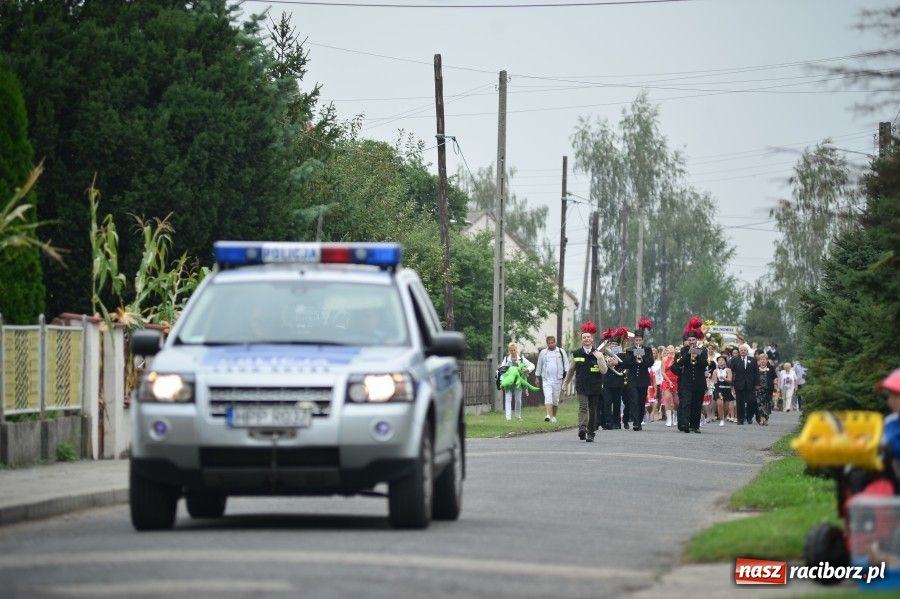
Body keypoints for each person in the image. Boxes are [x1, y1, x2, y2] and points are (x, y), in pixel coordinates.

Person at [563, 322, 606, 442]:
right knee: (583, 407)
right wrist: (565, 383)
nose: (586, 339)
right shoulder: (577, 353)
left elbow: (604, 371)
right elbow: (571, 369)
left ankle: (591, 432)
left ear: (592, 339)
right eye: (584, 337)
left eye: (588, 337)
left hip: (595, 386)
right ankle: (582, 428)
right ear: (582, 340)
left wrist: (600, 358)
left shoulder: (598, 353)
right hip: (581, 385)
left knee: (593, 409)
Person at [671, 317, 708, 434]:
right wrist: (689, 354)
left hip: (699, 382)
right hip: (686, 382)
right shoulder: (683, 350)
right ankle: (685, 424)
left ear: (697, 340)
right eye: (690, 340)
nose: (692, 342)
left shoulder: (703, 350)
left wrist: (697, 357)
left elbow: (704, 364)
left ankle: (695, 426)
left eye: (693, 340)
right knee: (686, 402)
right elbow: (680, 362)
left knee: (697, 404)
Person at [622, 318, 653, 432]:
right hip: (632, 380)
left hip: (643, 380)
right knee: (634, 401)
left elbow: (650, 363)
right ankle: (635, 423)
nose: (638, 342)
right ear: (634, 340)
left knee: (641, 401)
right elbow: (626, 364)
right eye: (636, 340)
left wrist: (642, 357)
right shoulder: (629, 350)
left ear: (643, 340)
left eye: (640, 340)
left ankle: (639, 420)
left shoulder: (648, 350)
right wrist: (634, 358)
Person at [535, 335, 569, 423]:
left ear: (555, 342)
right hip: (546, 379)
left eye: (552, 343)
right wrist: (537, 377)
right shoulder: (543, 353)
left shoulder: (561, 352)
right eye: (549, 343)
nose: (550, 344)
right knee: (548, 397)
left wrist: (566, 378)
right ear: (547, 344)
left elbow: (566, 365)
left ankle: (553, 416)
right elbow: (539, 365)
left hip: (558, 379)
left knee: (555, 400)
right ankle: (547, 415)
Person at [600, 327, 627, 430]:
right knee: (607, 402)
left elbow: (625, 365)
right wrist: (606, 362)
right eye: (611, 344)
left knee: (616, 403)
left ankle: (617, 422)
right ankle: (608, 422)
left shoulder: (622, 354)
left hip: (618, 381)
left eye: (615, 344)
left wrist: (618, 362)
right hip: (607, 381)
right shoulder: (604, 354)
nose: (613, 346)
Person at [499, 342, 534, 421]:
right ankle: (508, 418)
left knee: (518, 400)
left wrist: (527, 370)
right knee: (508, 399)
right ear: (509, 351)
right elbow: (501, 370)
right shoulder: (506, 359)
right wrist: (501, 383)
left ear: (517, 350)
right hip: (509, 382)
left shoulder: (521, 358)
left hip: (518, 382)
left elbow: (532, 365)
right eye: (511, 350)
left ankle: (518, 416)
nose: (513, 352)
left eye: (514, 350)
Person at [729, 343, 757, 425]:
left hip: (750, 384)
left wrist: (756, 383)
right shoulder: (734, 360)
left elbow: (756, 372)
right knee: (739, 402)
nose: (743, 351)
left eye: (744, 350)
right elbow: (731, 372)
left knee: (751, 401)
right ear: (739, 351)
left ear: (747, 351)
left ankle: (749, 417)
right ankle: (740, 419)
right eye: (741, 350)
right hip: (738, 384)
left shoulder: (752, 360)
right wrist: (732, 384)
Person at [752, 352, 778, 425]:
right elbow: (753, 378)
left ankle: (766, 419)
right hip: (759, 389)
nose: (762, 361)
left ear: (767, 360)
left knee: (767, 405)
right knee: (760, 404)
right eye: (761, 359)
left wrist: (775, 385)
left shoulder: (771, 368)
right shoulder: (756, 368)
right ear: (759, 360)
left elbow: (775, 377)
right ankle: (762, 419)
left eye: (764, 359)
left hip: (769, 389)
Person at [660, 345, 679, 427]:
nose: (670, 350)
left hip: (676, 380)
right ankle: (669, 419)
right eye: (668, 348)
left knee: (676, 401)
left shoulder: (677, 359)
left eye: (672, 348)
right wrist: (668, 381)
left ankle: (675, 416)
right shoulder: (664, 359)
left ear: (674, 350)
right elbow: (663, 372)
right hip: (667, 380)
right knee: (667, 398)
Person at [712, 355, 733, 426]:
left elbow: (730, 380)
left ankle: (725, 416)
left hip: (727, 389)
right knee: (720, 404)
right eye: (719, 360)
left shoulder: (728, 370)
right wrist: (719, 391)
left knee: (726, 408)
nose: (721, 362)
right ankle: (721, 419)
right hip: (718, 389)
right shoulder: (715, 371)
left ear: (725, 362)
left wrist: (724, 378)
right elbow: (715, 382)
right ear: (717, 362)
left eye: (722, 360)